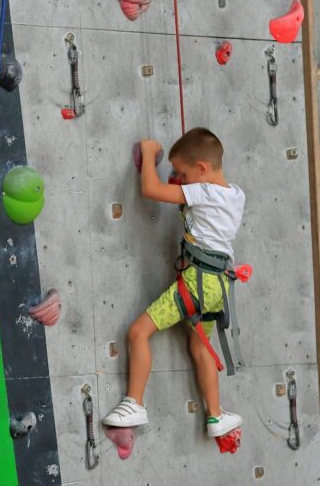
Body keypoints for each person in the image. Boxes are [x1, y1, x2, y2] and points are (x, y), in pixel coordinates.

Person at [102, 128, 245, 437]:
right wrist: (183, 182)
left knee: (138, 332)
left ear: (203, 170)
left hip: (197, 283)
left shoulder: (204, 191)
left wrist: (149, 152)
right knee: (201, 348)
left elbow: (152, 190)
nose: (178, 177)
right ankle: (216, 416)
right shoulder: (235, 194)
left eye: (182, 172)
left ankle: (134, 403)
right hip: (219, 286)